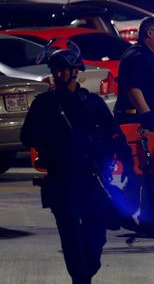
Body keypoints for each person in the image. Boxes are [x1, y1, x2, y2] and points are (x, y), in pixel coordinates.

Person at [22, 42, 136, 284]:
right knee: (71, 235)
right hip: (61, 180)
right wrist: (52, 139)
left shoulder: (91, 103)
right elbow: (27, 136)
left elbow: (114, 135)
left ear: (76, 71)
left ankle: (86, 271)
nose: (59, 75)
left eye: (64, 70)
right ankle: (80, 279)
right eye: (55, 70)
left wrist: (125, 164)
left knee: (96, 234)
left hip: (92, 179)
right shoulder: (44, 104)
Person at [114, 16, 154, 236]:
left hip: (152, 125)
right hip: (142, 125)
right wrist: (147, 115)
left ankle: (146, 219)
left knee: (149, 173)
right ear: (149, 34)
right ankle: (144, 220)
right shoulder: (138, 56)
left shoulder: (149, 56)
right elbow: (133, 87)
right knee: (148, 172)